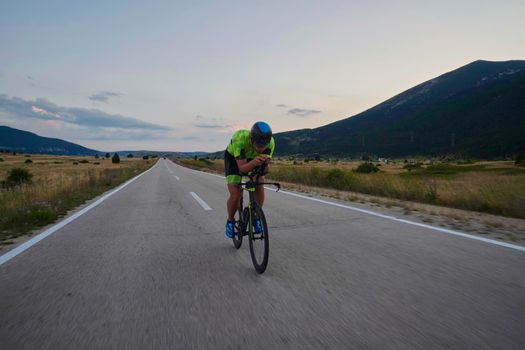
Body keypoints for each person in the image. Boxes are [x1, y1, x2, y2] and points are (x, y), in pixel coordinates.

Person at [224, 121, 275, 238]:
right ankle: (230, 221)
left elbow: (265, 171)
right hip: (234, 159)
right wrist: (253, 163)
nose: (261, 149)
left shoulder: (271, 143)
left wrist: (266, 166)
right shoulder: (239, 139)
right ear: (251, 139)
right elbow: (242, 169)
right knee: (235, 193)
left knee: (260, 182)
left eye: (264, 147)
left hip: (253, 159)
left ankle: (256, 217)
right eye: (258, 145)